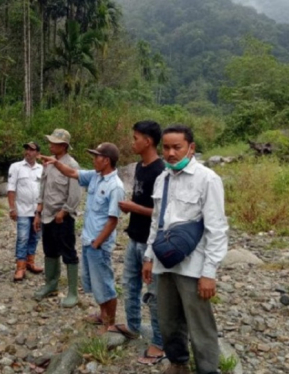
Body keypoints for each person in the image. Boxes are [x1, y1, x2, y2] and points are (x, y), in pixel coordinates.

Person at [142, 125, 229, 374]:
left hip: (194, 266)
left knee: (200, 325)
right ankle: (178, 363)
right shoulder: (162, 179)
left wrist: (209, 272)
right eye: (166, 147)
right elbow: (156, 222)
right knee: (168, 321)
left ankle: (207, 369)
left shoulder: (207, 179)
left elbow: (217, 228)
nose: (170, 153)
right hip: (164, 262)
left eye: (177, 147)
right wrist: (148, 257)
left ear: (191, 148)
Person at [40, 142, 125, 333]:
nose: (93, 160)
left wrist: (98, 242)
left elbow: (113, 220)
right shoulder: (95, 177)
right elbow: (72, 173)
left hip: (98, 244)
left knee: (104, 283)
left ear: (107, 160)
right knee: (95, 282)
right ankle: (102, 314)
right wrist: (55, 162)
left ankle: (109, 323)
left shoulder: (115, 186)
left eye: (97, 156)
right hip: (89, 240)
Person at [107, 121, 166, 365]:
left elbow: (161, 213)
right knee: (129, 284)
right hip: (134, 237)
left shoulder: (160, 171)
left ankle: (159, 342)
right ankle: (132, 325)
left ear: (148, 141)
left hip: (150, 242)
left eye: (135, 138)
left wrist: (133, 208)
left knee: (153, 294)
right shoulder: (141, 167)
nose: (132, 143)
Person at [33, 129, 81, 307]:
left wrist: (65, 211)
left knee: (68, 252)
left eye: (54, 143)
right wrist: (38, 212)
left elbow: (75, 194)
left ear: (64, 146)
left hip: (63, 217)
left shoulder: (72, 165)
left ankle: (72, 293)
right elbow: (43, 189)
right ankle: (51, 284)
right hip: (47, 215)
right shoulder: (49, 163)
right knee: (49, 251)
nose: (50, 145)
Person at [7, 141, 44, 281]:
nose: (28, 152)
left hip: (38, 210)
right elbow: (11, 189)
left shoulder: (42, 168)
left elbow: (45, 189)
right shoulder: (16, 167)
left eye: (32, 150)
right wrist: (12, 208)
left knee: (35, 237)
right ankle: (20, 267)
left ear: (37, 153)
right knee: (22, 237)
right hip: (22, 210)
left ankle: (30, 262)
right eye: (27, 149)